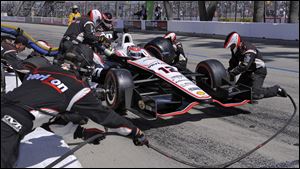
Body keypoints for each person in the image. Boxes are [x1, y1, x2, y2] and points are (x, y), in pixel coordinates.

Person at [1, 43, 149, 168]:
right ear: (85, 67)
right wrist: (135, 132)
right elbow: (105, 116)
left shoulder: (40, 70)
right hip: (9, 126)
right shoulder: (77, 87)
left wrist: (81, 133)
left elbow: (46, 118)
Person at [224, 31, 288, 100]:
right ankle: (251, 92)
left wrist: (231, 73)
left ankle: (276, 90)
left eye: (231, 45)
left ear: (236, 42)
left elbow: (244, 66)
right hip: (248, 71)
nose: (231, 47)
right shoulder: (235, 49)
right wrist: (227, 72)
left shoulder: (249, 49)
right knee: (236, 92)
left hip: (258, 71)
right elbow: (234, 63)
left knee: (255, 94)